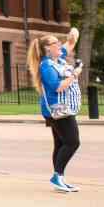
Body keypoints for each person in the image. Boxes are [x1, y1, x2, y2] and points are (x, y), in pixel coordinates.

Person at [27, 28, 81, 193]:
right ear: (47, 49)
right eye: (55, 43)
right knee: (72, 142)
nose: (59, 45)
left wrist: (73, 34)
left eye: (58, 42)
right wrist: (75, 74)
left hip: (62, 108)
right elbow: (58, 87)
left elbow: (71, 42)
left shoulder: (57, 59)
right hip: (58, 109)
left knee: (60, 143)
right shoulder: (46, 66)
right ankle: (57, 176)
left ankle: (60, 178)